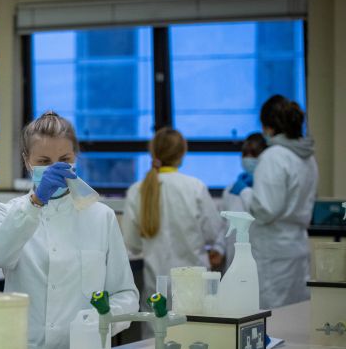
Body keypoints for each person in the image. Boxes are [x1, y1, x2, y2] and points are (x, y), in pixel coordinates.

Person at [0, 111, 139, 349]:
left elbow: (125, 294)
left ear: (75, 158)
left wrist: (96, 322)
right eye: (44, 162)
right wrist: (35, 203)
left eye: (64, 159)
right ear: (27, 161)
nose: (54, 168)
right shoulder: (4, 212)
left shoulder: (101, 217)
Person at [236, 95, 317, 309]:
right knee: (296, 315)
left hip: (274, 253)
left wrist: (245, 192)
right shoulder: (307, 157)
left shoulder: (274, 156)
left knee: (273, 319)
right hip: (296, 246)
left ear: (269, 128)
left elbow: (264, 211)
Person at [121, 128, 225, 296]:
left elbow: (132, 243)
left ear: (153, 152)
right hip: (195, 287)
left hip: (157, 288)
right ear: (182, 153)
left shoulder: (136, 190)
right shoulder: (195, 187)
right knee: (197, 322)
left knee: (159, 322)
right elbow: (213, 233)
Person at [222, 132, 267, 269]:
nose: (248, 159)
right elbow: (223, 225)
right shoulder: (231, 190)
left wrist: (245, 192)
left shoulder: (267, 188)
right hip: (232, 258)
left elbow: (261, 215)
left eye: (253, 155)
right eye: (245, 154)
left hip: (259, 259)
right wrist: (218, 248)